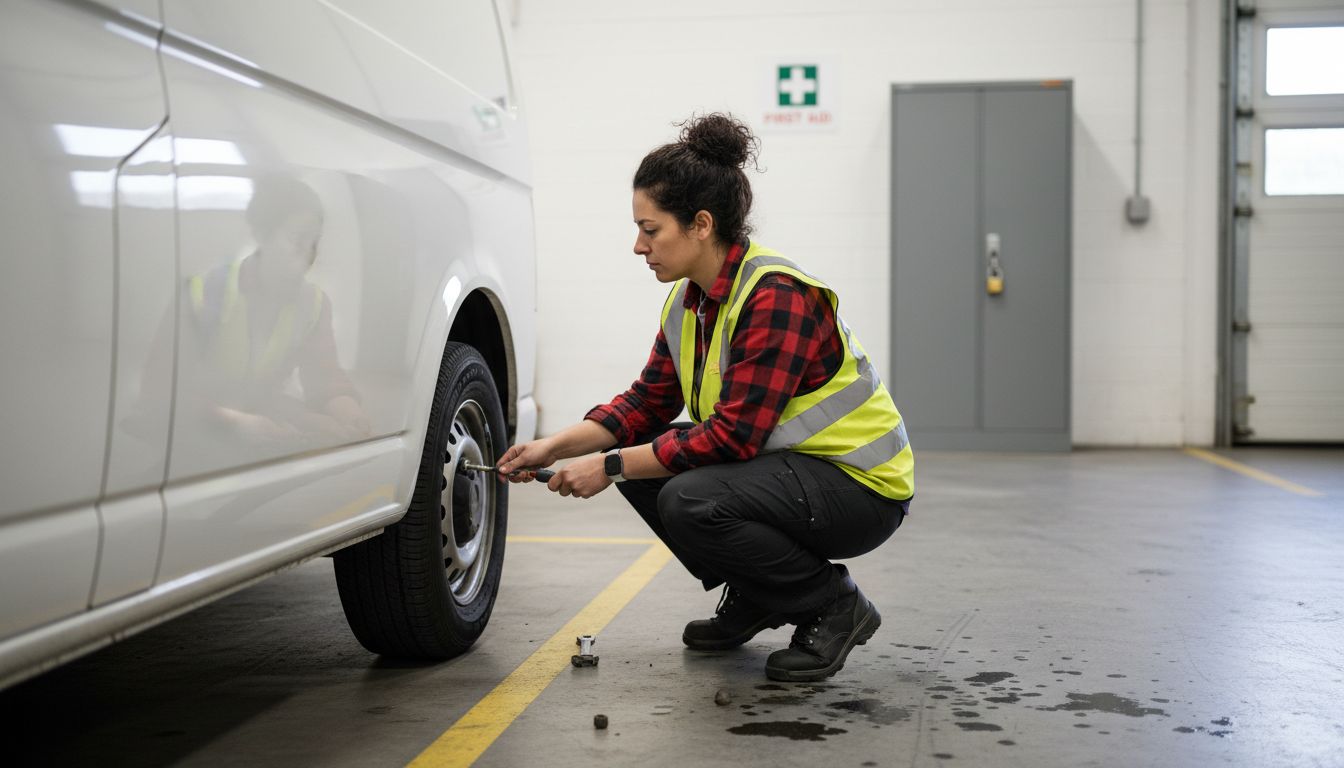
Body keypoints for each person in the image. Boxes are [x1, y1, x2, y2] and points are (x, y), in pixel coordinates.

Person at [497, 113, 914, 682]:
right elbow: (646, 404)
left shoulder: (774, 297)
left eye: (650, 229)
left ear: (699, 224)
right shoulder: (688, 302)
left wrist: (609, 466)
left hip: (859, 489)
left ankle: (833, 603)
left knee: (687, 496)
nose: (637, 246)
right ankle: (762, 592)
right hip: (790, 476)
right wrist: (554, 446)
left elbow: (733, 437)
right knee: (651, 461)